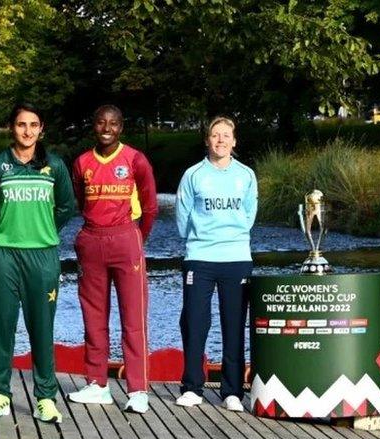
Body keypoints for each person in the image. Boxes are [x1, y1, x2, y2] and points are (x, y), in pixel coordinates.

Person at [0, 103, 76, 422]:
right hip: (4, 254)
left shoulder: (55, 166)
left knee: (42, 327)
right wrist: (8, 230)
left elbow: (65, 207)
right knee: (1, 325)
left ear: (41, 129)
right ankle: (0, 394)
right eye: (21, 124)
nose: (27, 131)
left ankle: (46, 397)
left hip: (43, 255)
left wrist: (43, 232)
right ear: (11, 128)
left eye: (34, 125)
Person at [68, 105, 158, 413]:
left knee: (133, 318)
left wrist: (133, 238)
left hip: (126, 239)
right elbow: (80, 201)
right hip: (91, 241)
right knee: (93, 316)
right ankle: (97, 384)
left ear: (121, 127)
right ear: (93, 125)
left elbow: (150, 208)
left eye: (113, 123)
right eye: (101, 122)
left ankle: (137, 390)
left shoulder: (135, 159)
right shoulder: (81, 162)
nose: (107, 128)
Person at [175, 116, 258, 411]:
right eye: (215, 135)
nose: (221, 140)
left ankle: (232, 391)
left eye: (226, 135)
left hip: (236, 258)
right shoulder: (193, 175)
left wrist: (231, 238)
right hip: (199, 257)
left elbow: (248, 216)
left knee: (233, 324)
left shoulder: (246, 175)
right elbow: (182, 218)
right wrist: (198, 240)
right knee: (195, 322)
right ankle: (192, 387)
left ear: (234, 141)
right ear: (207, 141)